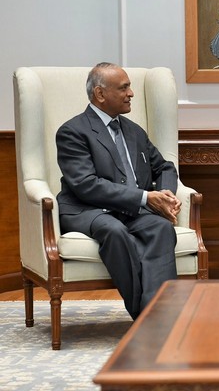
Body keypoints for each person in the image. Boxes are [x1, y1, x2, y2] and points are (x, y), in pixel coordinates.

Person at [56, 62, 182, 320]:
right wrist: (146, 197)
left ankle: (160, 313)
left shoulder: (134, 131)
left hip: (131, 210)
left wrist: (166, 197)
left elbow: (165, 167)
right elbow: (86, 185)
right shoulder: (73, 132)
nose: (131, 93)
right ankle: (148, 316)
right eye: (123, 88)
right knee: (115, 232)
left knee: (161, 228)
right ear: (100, 94)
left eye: (130, 87)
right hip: (88, 209)